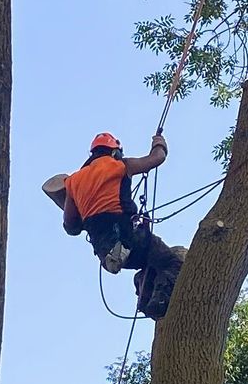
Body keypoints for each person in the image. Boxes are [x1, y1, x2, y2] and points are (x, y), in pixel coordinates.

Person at [47, 129, 184, 318]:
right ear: (114, 151)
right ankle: (159, 300)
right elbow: (156, 158)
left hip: (105, 250)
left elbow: (71, 226)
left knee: (152, 264)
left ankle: (146, 298)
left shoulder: (73, 182)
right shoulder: (120, 165)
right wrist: (159, 142)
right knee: (172, 261)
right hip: (132, 239)